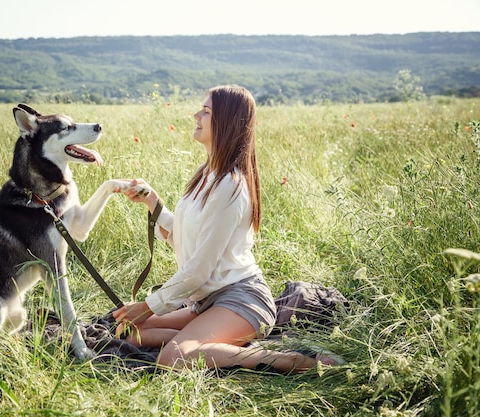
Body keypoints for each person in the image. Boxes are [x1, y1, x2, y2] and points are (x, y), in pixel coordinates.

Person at [113, 85, 341, 372]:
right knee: (126, 331)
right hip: (206, 302)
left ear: (226, 122)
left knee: (172, 359)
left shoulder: (229, 186)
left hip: (241, 299)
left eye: (206, 111)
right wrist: (152, 201)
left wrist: (146, 305)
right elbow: (187, 239)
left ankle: (295, 360)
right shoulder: (206, 174)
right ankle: (210, 345)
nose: (196, 115)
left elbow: (198, 269)